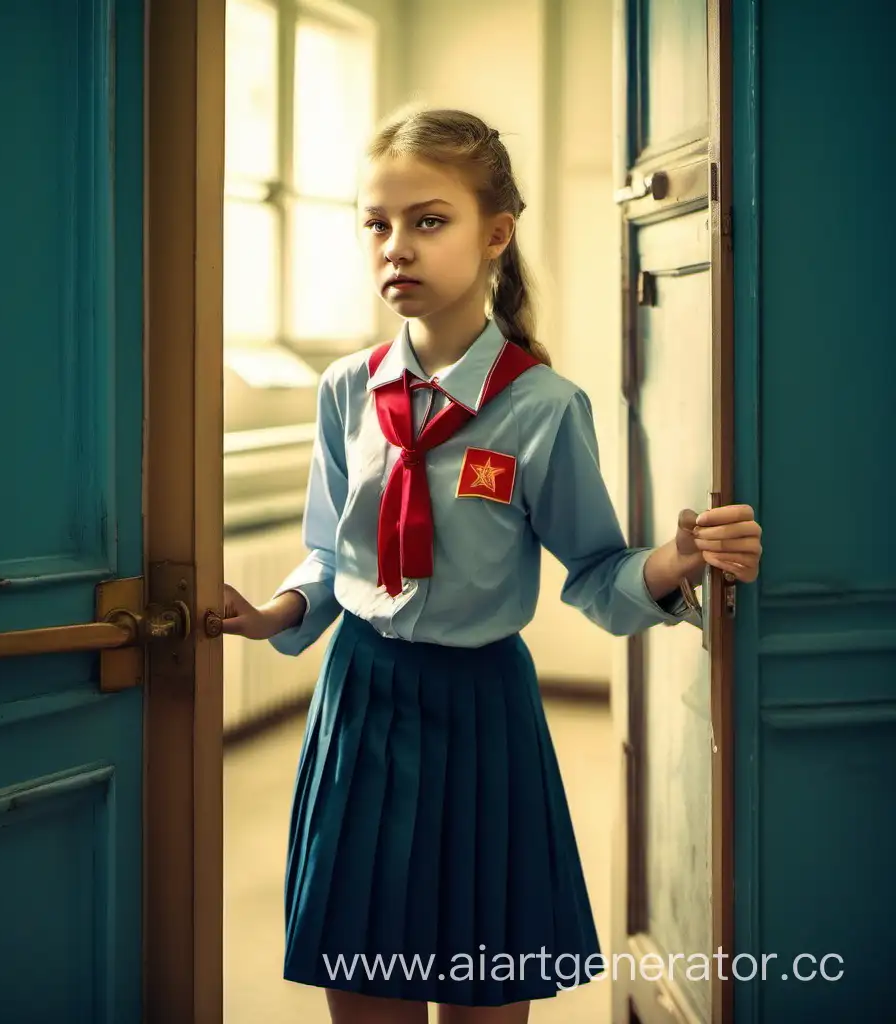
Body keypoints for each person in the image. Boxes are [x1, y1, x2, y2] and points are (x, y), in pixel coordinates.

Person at [222, 107, 763, 1024]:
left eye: (428, 221)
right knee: (362, 982)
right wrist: (277, 613)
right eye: (377, 223)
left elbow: (594, 570)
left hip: (483, 716)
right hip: (360, 697)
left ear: (495, 234)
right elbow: (328, 550)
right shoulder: (345, 391)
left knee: (485, 990)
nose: (397, 246)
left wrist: (676, 560)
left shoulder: (542, 408)